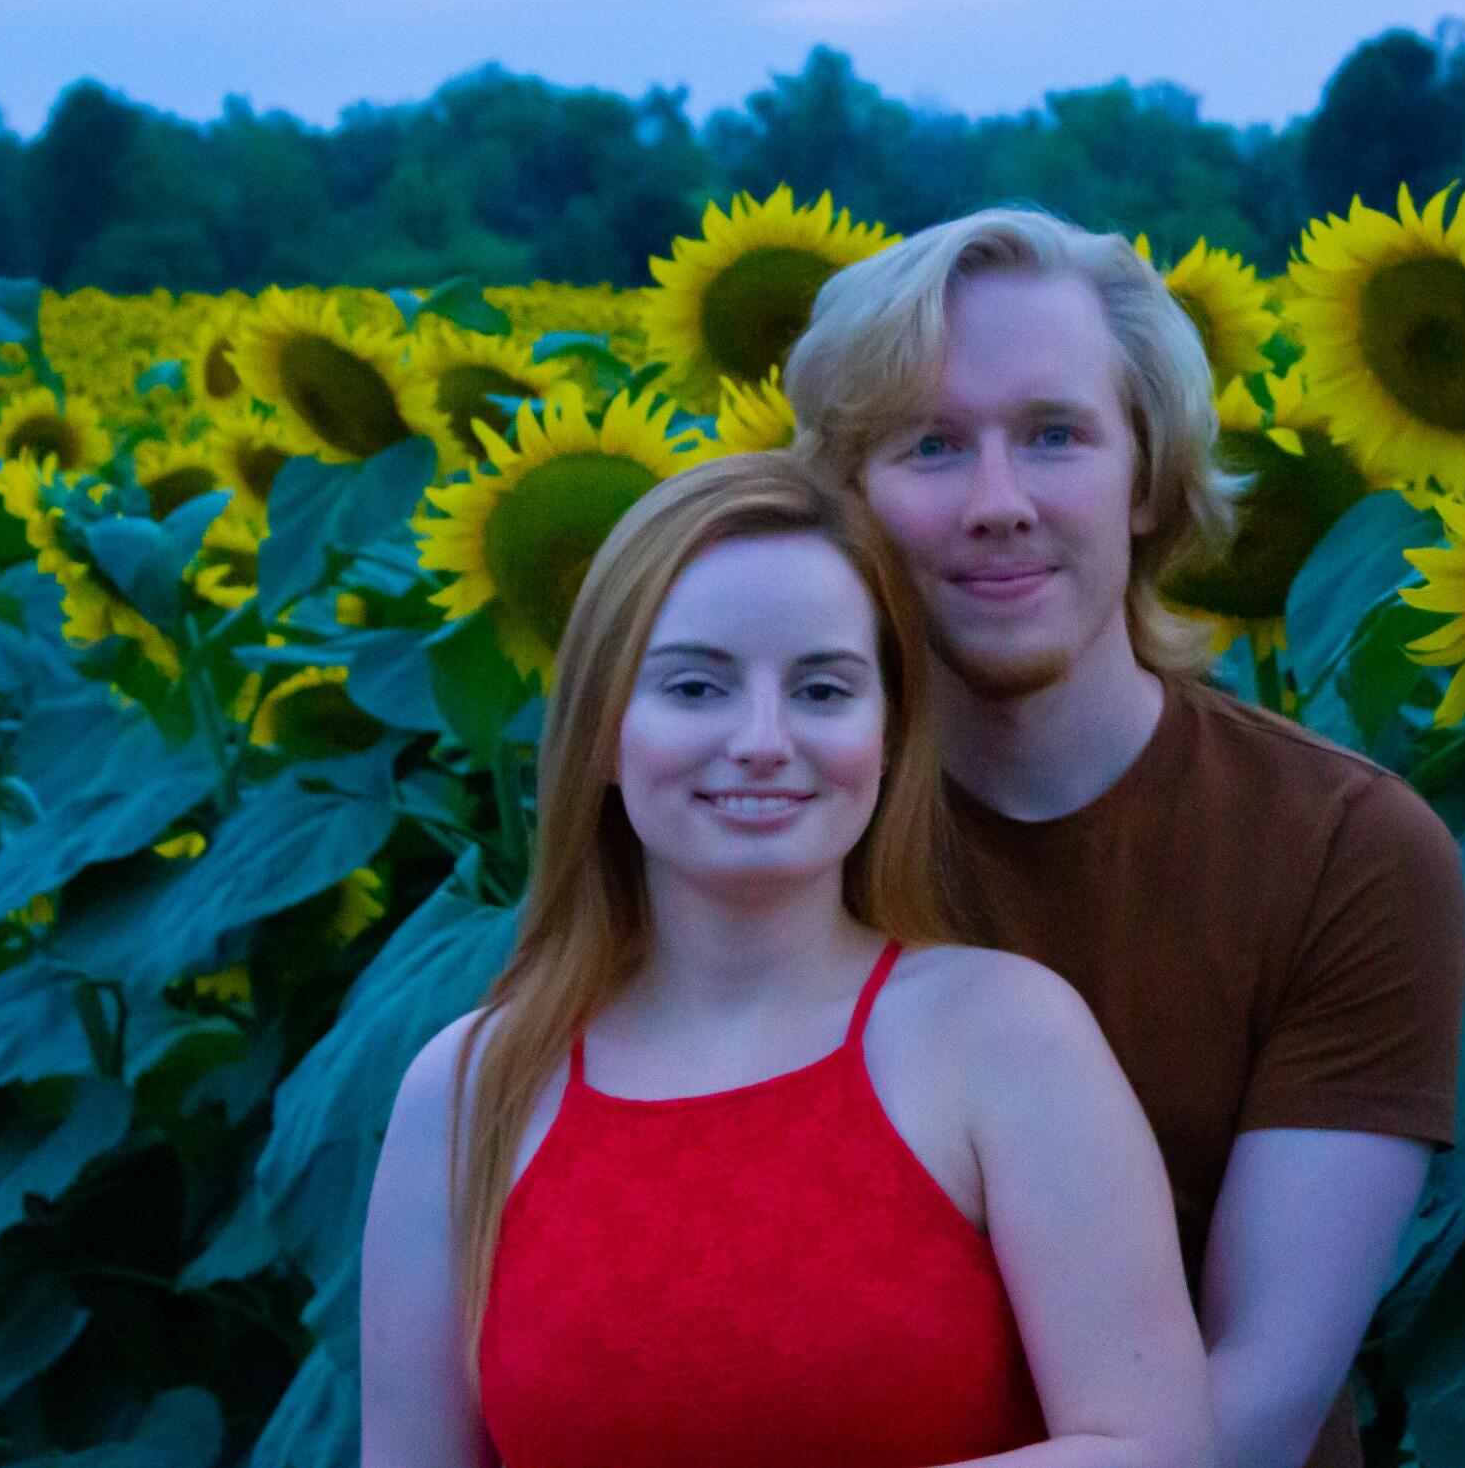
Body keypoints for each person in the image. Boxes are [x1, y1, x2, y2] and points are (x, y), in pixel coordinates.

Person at [360, 451, 1216, 1468]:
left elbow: (1156, 1447)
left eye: (820, 687)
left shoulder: (1006, 1039)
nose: (762, 740)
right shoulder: (468, 1096)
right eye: (694, 685)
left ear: (890, 736)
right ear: (599, 732)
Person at [784, 210, 1465, 1468]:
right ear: (850, 503)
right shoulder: (778, 828)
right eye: (931, 445)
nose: (999, 503)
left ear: (1146, 477)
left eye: (1054, 435)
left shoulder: (1344, 851)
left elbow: (1253, 1399)